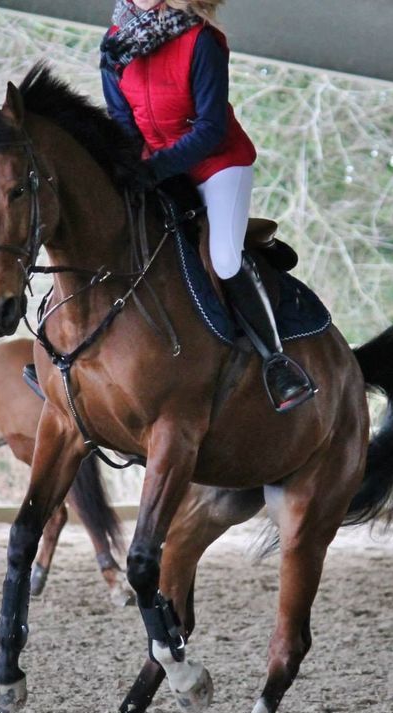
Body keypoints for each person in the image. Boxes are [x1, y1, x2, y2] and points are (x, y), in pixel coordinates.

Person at [100, 0, 315, 411]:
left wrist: (154, 170)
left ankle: (276, 362)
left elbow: (211, 129)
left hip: (218, 164)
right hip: (158, 168)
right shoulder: (113, 45)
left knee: (224, 259)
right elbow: (122, 122)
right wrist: (133, 168)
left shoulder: (201, 40)